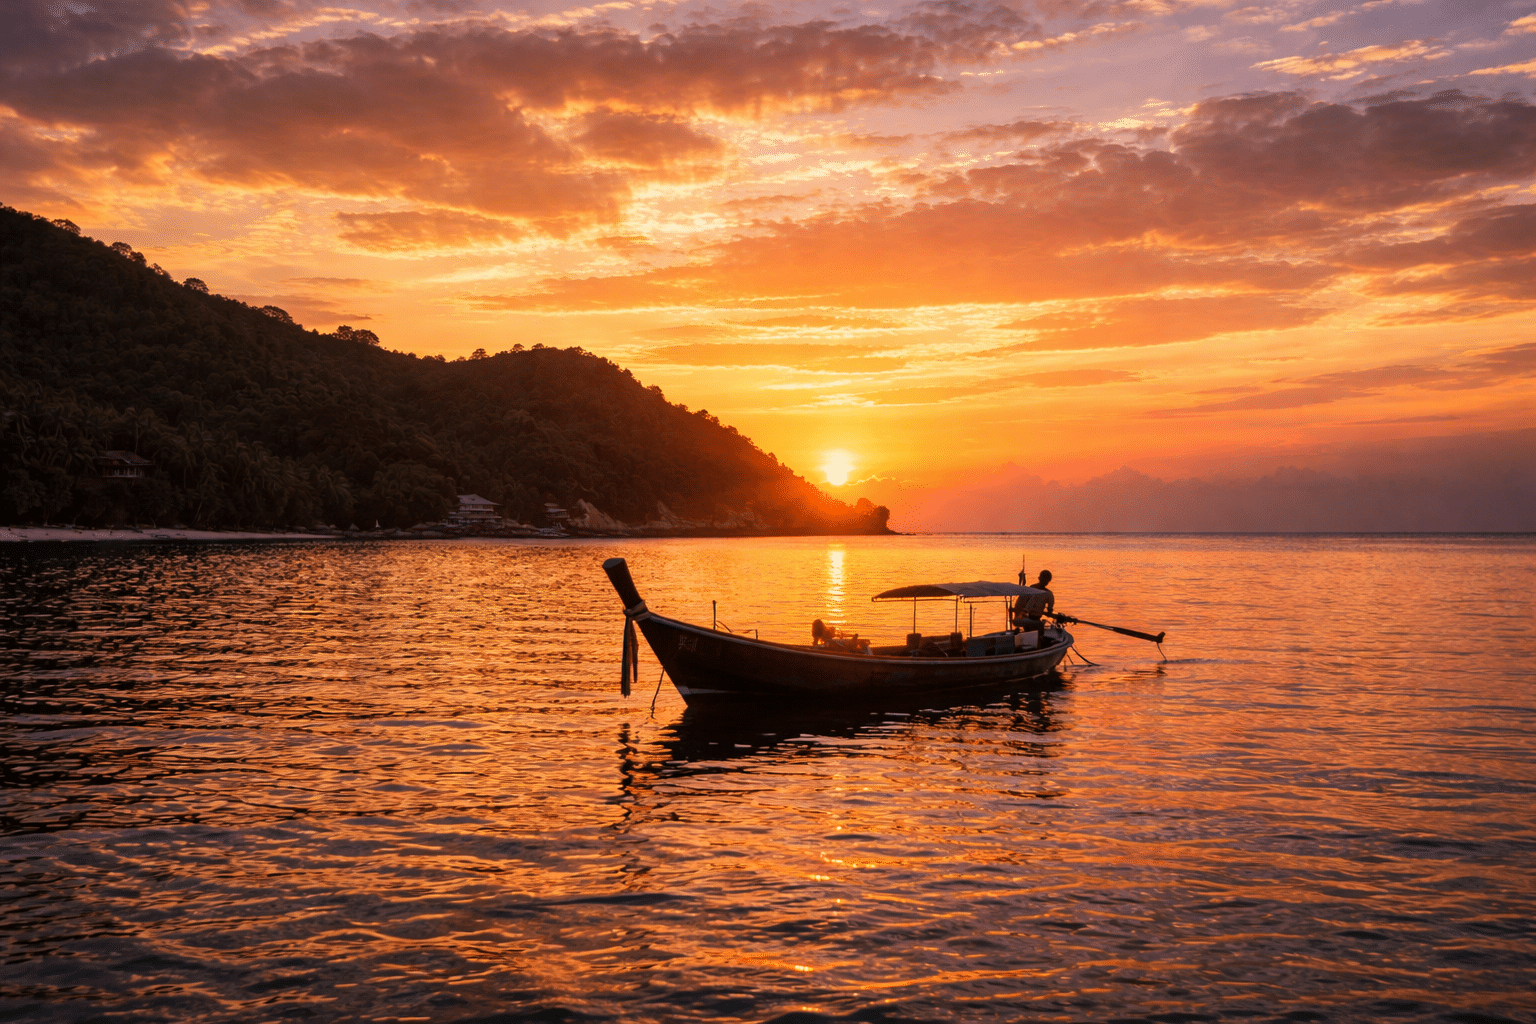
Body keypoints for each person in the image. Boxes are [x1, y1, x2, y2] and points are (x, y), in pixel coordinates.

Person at [1013, 569, 1055, 647]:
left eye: (1046, 580)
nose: (1044, 581)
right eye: (1043, 579)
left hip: (1032, 619)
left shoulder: (1048, 594)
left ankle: (1030, 646)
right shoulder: (1033, 589)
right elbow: (1022, 602)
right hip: (1029, 619)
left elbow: (1049, 611)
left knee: (1032, 633)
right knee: (1039, 630)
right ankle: (1036, 647)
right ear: (1039, 578)